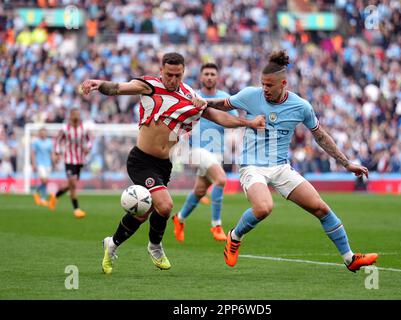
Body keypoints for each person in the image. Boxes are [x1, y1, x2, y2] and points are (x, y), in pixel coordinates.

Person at [81, 52, 265, 273]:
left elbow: (218, 117)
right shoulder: (149, 85)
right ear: (162, 71)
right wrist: (98, 84)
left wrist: (249, 123)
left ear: (183, 72)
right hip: (141, 160)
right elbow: (119, 87)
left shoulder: (191, 96)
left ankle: (112, 244)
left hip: (163, 164)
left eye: (177, 75)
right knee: (166, 205)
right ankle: (155, 246)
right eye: (169, 75)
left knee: (144, 212)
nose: (173, 80)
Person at [206, 50, 378, 272]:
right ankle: (235, 236)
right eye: (263, 84)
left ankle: (350, 258)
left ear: (283, 83)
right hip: (252, 166)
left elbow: (321, 136)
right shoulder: (250, 95)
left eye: (269, 85)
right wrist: (199, 102)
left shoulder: (301, 106)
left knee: (321, 208)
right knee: (264, 207)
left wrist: (346, 163)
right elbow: (221, 104)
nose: (265, 89)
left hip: (280, 167)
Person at [172, 63, 237, 242]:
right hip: (197, 150)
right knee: (221, 180)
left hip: (217, 153)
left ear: (217, 77)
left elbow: (235, 120)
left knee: (200, 191)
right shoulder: (193, 97)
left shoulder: (225, 98)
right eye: (206, 74)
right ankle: (216, 225)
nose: (209, 77)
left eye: (212, 74)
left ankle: (179, 218)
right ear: (201, 77)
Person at [49, 108, 93, 219]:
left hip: (80, 160)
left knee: (71, 184)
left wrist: (88, 148)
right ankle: (76, 209)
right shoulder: (65, 129)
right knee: (72, 184)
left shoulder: (84, 128)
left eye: (78, 114)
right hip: (68, 160)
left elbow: (89, 140)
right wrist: (57, 153)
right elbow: (57, 141)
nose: (76, 116)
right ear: (70, 116)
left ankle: (55, 196)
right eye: (74, 114)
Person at [31, 127, 53, 206]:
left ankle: (42, 198)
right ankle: (38, 193)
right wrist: (34, 164)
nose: (43, 134)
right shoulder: (36, 142)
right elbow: (33, 153)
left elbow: (51, 153)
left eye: (44, 132)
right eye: (41, 132)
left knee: (46, 182)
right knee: (43, 180)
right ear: (39, 134)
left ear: (46, 133)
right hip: (40, 163)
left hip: (48, 164)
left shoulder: (50, 142)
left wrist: (54, 162)